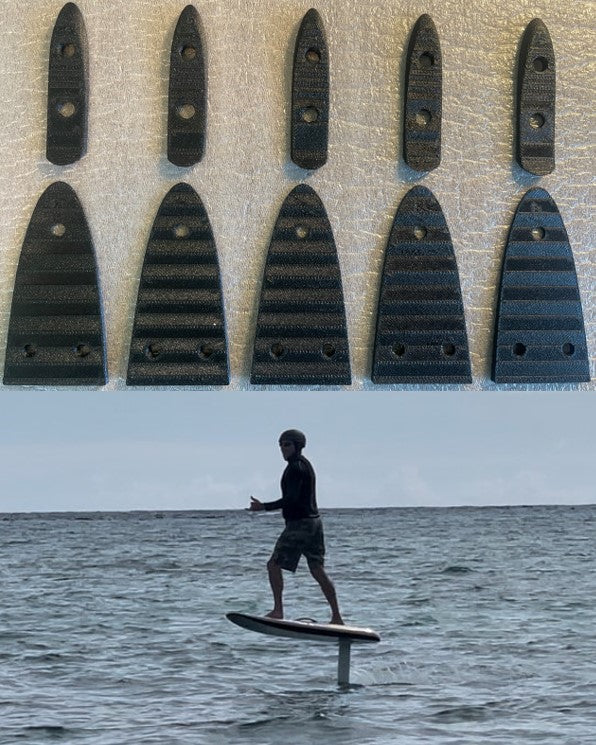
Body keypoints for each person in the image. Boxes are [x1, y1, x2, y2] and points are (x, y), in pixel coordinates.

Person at [249, 429, 344, 625]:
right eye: (281, 445)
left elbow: (291, 499)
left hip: (301, 524)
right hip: (314, 523)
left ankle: (278, 611)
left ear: (298, 446)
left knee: (273, 565)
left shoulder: (296, 468)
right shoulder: (303, 465)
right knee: (317, 569)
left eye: (287, 444)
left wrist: (263, 507)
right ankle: (337, 617)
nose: (283, 449)